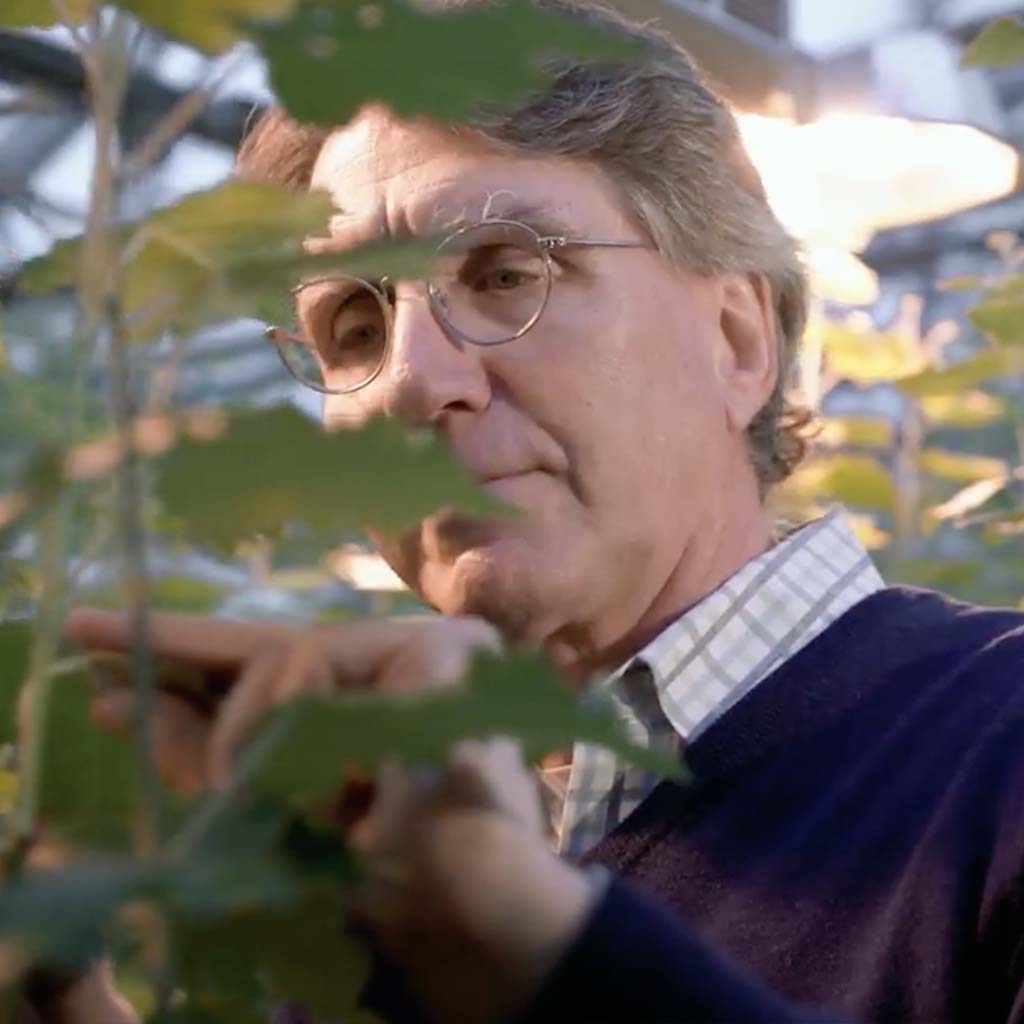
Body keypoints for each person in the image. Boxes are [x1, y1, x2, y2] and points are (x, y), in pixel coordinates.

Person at [41, 1, 1024, 1021]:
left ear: (735, 342)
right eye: (352, 322)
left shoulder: (998, 752)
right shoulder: (375, 856)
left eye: (507, 271)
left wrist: (533, 944)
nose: (411, 381)